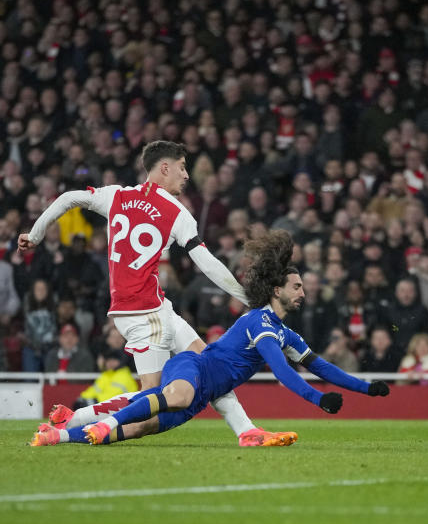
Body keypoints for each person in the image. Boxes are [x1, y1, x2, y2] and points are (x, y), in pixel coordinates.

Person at [20, 141, 293, 447]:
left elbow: (70, 197)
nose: (187, 175)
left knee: (208, 364)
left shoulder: (117, 195)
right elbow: (207, 264)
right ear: (165, 167)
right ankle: (77, 419)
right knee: (154, 402)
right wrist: (250, 299)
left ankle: (246, 431)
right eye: (182, 166)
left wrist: (35, 234)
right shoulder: (177, 212)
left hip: (154, 306)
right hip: (143, 314)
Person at [31, 230, 390, 447]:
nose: (303, 293)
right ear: (277, 289)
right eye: (296, 287)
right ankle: (95, 419)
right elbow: (282, 371)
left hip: (203, 396)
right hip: (193, 367)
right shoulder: (261, 323)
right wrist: (316, 399)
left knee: (142, 427)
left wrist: (366, 388)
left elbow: (320, 365)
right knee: (174, 393)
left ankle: (58, 433)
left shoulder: (286, 332)